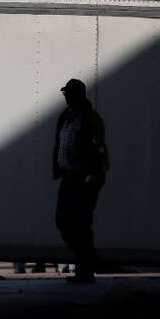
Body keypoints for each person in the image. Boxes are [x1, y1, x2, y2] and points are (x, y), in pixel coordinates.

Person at [52, 78, 109, 284]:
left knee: (80, 223)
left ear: (78, 94)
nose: (65, 96)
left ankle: (85, 269)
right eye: (64, 92)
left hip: (84, 178)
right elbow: (59, 143)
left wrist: (91, 181)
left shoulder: (90, 118)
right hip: (69, 177)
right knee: (63, 221)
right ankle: (89, 260)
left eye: (68, 93)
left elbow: (99, 153)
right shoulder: (67, 115)